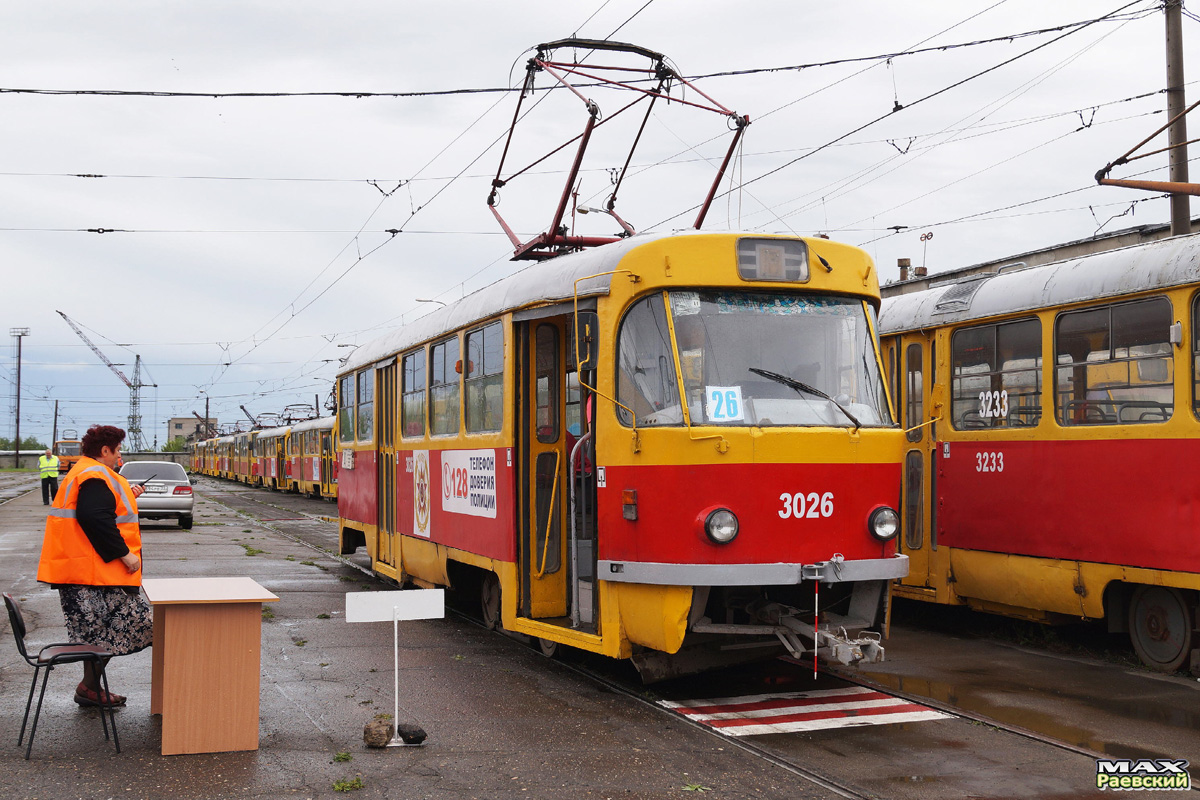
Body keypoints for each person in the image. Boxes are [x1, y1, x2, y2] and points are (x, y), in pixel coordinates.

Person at [36, 425, 151, 707]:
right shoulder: (94, 475)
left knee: (105, 635)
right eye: (118, 450)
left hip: (88, 574)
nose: (119, 455)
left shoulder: (88, 472)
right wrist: (124, 554)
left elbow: (96, 511)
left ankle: (89, 688)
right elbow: (93, 517)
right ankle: (89, 688)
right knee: (115, 632)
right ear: (105, 451)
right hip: (88, 576)